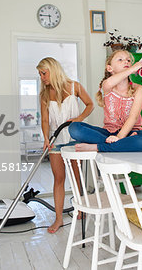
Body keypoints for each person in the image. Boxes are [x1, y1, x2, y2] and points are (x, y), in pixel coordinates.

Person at [37, 57, 94, 233]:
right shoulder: (45, 94)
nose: (42, 77)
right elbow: (45, 119)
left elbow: (90, 105)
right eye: (40, 74)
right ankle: (59, 218)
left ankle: (80, 209)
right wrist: (46, 138)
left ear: (53, 70)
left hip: (75, 138)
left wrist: (79, 119)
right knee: (59, 179)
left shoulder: (74, 86)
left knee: (76, 178)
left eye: (44, 73)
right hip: (56, 141)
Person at [69, 50, 142, 152]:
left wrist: (119, 137)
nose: (126, 62)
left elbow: (133, 117)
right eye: (120, 60)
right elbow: (110, 82)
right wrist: (132, 69)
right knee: (74, 128)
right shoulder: (107, 85)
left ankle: (99, 147)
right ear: (109, 68)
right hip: (108, 133)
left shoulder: (139, 89)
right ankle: (121, 145)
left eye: (128, 60)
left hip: (131, 133)